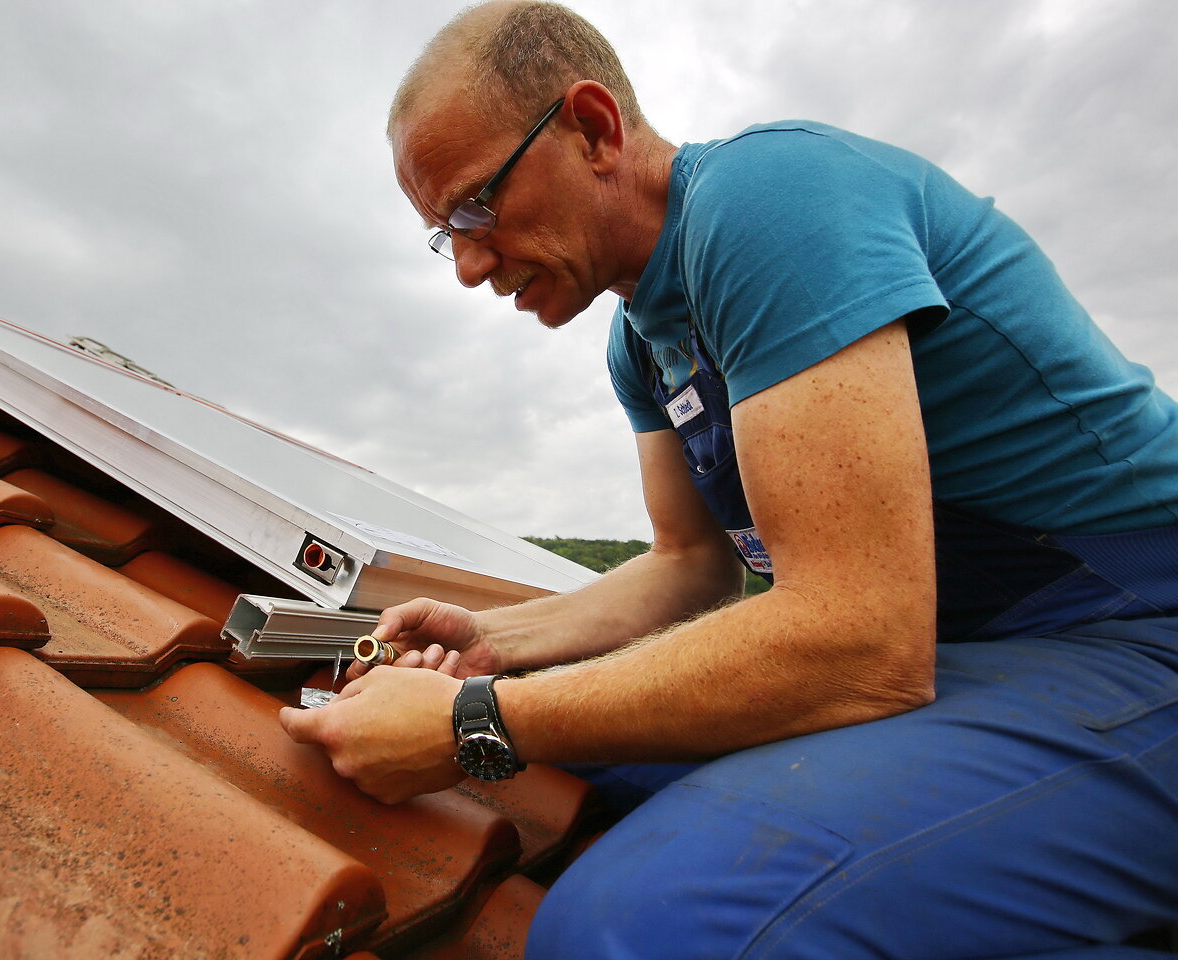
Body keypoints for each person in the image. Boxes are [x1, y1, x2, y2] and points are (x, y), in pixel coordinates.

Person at [280, 2, 1178, 956]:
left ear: (593, 128)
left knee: (636, 929)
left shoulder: (768, 201)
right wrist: (496, 644)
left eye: (475, 206)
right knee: (590, 785)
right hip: (973, 654)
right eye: (440, 233)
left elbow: (861, 635)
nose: (464, 265)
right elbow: (689, 566)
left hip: (1135, 633)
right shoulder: (639, 341)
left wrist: (471, 721)